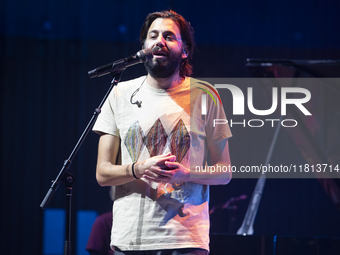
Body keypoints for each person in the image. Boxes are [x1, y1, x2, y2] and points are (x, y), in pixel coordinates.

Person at [92, 10, 232, 255]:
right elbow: (103, 174)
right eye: (153, 35)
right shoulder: (119, 94)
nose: (159, 41)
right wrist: (138, 169)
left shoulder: (205, 94)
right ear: (144, 47)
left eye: (169, 36)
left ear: (184, 49)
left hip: (186, 239)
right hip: (131, 238)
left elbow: (224, 172)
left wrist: (186, 173)